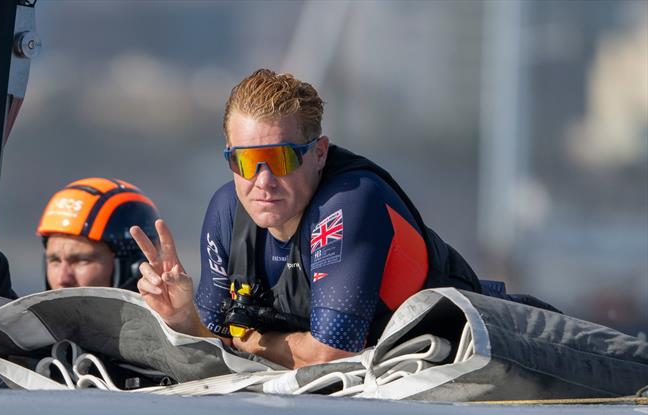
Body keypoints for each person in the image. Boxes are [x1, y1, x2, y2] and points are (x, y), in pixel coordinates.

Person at [130, 69, 550, 369]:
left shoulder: (349, 202)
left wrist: (251, 339)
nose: (262, 180)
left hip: (509, 341)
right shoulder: (226, 212)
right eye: (245, 160)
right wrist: (183, 317)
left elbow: (331, 355)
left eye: (279, 158)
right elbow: (218, 339)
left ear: (318, 153)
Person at [37, 177, 160, 291]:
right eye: (54, 260)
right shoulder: (22, 313)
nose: (62, 279)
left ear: (133, 270)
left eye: (81, 260)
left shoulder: (172, 314)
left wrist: (176, 314)